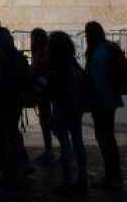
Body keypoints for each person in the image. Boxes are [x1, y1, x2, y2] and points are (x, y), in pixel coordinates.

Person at [0, 18, 30, 190]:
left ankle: (6, 169)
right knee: (10, 134)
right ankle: (15, 168)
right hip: (13, 99)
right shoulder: (14, 53)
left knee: (0, 135)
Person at [79, 22, 124, 190]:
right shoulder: (106, 48)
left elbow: (97, 81)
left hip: (101, 102)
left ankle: (112, 177)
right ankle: (113, 176)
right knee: (108, 138)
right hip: (110, 99)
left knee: (105, 139)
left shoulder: (97, 53)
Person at [45, 30, 90, 197]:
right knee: (78, 141)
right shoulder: (72, 62)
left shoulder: (56, 65)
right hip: (75, 105)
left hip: (62, 106)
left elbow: (52, 88)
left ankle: (68, 181)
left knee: (65, 144)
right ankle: (82, 178)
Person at [29, 27, 56, 165]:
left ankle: (51, 150)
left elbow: (40, 72)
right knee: (47, 122)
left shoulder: (42, 54)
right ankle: (50, 150)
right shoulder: (45, 52)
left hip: (44, 92)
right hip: (46, 92)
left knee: (47, 122)